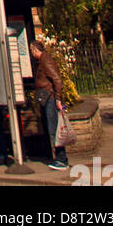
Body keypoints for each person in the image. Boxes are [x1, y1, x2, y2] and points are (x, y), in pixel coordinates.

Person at [29, 39, 69, 170]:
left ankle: (62, 159)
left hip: (50, 99)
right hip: (48, 98)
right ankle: (59, 158)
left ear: (35, 50)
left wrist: (58, 99)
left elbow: (57, 79)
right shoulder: (43, 60)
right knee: (52, 128)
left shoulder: (45, 60)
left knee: (54, 129)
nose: (31, 53)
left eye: (31, 50)